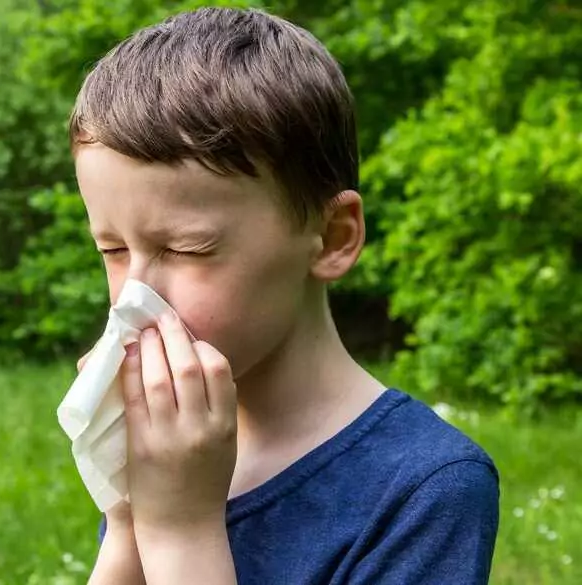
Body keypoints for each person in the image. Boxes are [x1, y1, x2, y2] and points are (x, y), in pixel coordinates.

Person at [68, 7, 499, 585]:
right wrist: (128, 520)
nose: (134, 297)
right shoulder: (168, 442)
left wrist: (180, 530)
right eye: (113, 249)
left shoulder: (426, 489)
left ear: (333, 238)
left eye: (188, 248)